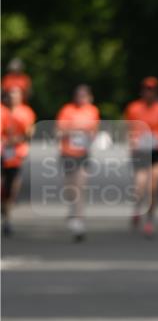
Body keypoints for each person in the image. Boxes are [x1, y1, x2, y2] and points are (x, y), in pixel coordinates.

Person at [124, 77, 158, 237]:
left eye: (152, 89)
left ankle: (150, 221)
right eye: (146, 89)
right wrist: (133, 140)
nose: (149, 92)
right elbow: (127, 128)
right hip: (140, 152)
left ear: (156, 91)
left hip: (156, 152)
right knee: (139, 187)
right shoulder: (134, 108)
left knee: (153, 188)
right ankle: (137, 209)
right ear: (142, 91)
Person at [55, 85, 100, 241]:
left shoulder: (92, 111)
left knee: (80, 187)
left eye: (84, 95)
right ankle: (72, 211)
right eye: (78, 95)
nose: (81, 98)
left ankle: (79, 221)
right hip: (68, 153)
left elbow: (95, 132)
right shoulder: (67, 110)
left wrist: (90, 135)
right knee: (70, 189)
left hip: (83, 154)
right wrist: (74, 130)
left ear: (89, 97)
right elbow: (58, 132)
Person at [1, 87, 36, 236]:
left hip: (16, 153)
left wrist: (19, 138)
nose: (13, 98)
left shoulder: (26, 112)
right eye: (10, 95)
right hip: (2, 152)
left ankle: (7, 216)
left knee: (12, 187)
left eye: (16, 95)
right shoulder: (2, 111)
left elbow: (29, 133)